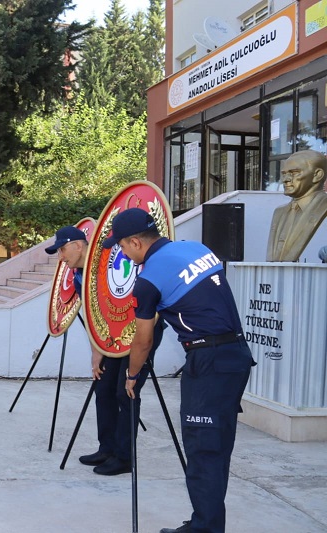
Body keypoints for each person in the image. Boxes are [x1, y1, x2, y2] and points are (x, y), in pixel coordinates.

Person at [108, 208, 254, 533]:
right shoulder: (196, 248)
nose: (123, 254)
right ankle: (206, 522)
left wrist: (132, 376)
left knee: (203, 450)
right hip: (236, 354)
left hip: (209, 361)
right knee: (217, 449)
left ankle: (205, 528)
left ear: (135, 242)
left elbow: (143, 341)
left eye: (122, 246)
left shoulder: (148, 280)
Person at [46, 226, 163, 476]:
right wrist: (96, 349)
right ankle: (106, 448)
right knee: (104, 388)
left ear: (78, 245)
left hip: (141, 328)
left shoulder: (106, 261)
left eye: (63, 250)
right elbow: (93, 315)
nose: (61, 257)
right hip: (110, 333)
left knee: (126, 391)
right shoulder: (79, 276)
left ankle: (124, 457)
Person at [266, 150, 327, 261]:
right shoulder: (279, 212)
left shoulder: (323, 207)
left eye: (294, 173)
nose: (285, 180)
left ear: (317, 175)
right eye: (284, 174)